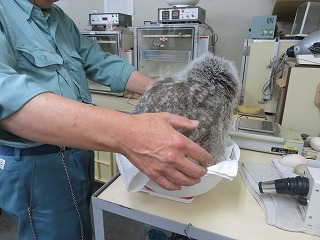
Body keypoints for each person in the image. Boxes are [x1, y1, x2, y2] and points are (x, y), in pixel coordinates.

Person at [0, 0, 213, 239]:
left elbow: (102, 62)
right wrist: (129, 133)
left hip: (79, 151)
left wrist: (165, 92)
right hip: (37, 164)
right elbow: (7, 98)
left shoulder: (57, 18)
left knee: (79, 227)